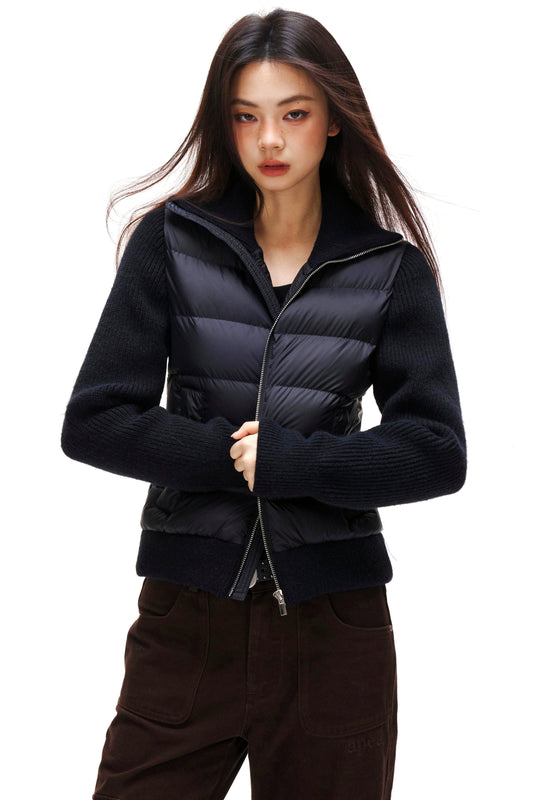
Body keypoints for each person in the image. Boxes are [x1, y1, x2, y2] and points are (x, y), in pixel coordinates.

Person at [61, 8, 466, 799]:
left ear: (333, 120)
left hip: (334, 630)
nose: (269, 140)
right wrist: (231, 457)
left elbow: (435, 451)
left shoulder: (389, 268)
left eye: (294, 114)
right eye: (245, 117)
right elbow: (95, 420)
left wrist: (292, 462)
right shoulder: (170, 242)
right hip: (187, 621)